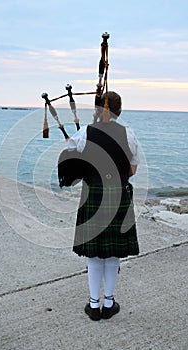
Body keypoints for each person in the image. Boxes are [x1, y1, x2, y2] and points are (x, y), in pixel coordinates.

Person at [66, 91, 140, 321]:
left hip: (93, 197)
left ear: (98, 110)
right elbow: (132, 170)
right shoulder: (128, 134)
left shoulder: (85, 132)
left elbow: (71, 161)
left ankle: (93, 304)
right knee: (112, 253)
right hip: (118, 196)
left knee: (94, 254)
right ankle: (109, 303)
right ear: (120, 110)